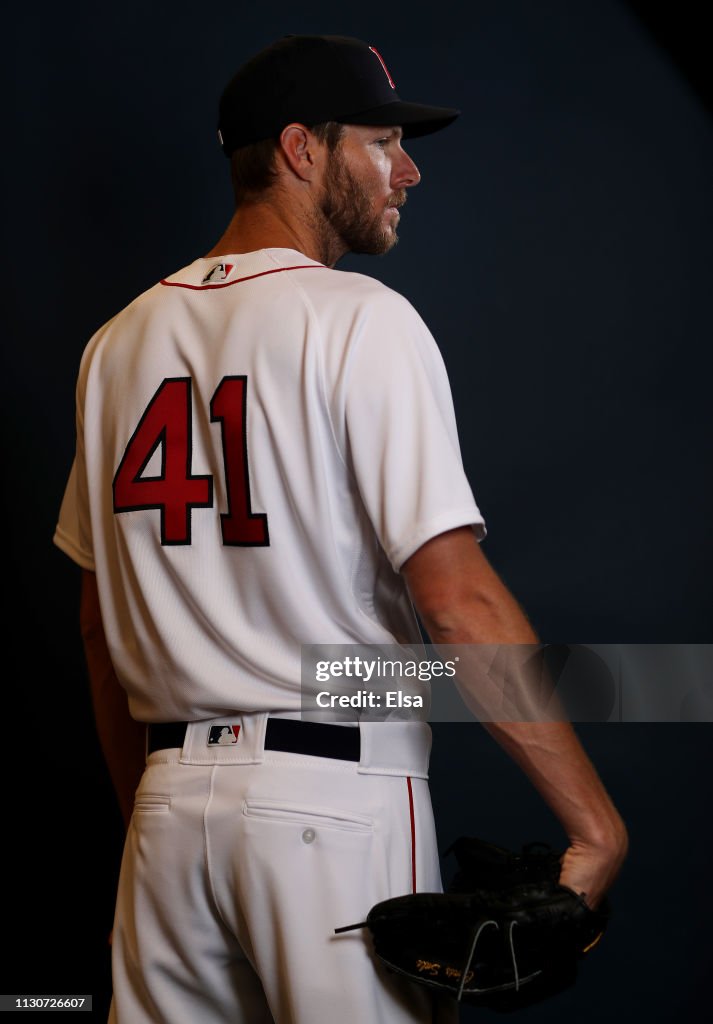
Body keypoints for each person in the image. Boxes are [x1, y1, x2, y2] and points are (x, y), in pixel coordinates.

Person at [53, 33, 628, 1024]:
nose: (406, 168)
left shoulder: (115, 345)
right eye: (379, 141)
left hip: (166, 810)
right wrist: (593, 827)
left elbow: (102, 630)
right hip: (331, 800)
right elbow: (456, 602)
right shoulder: (359, 319)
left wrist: (156, 819)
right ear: (298, 148)